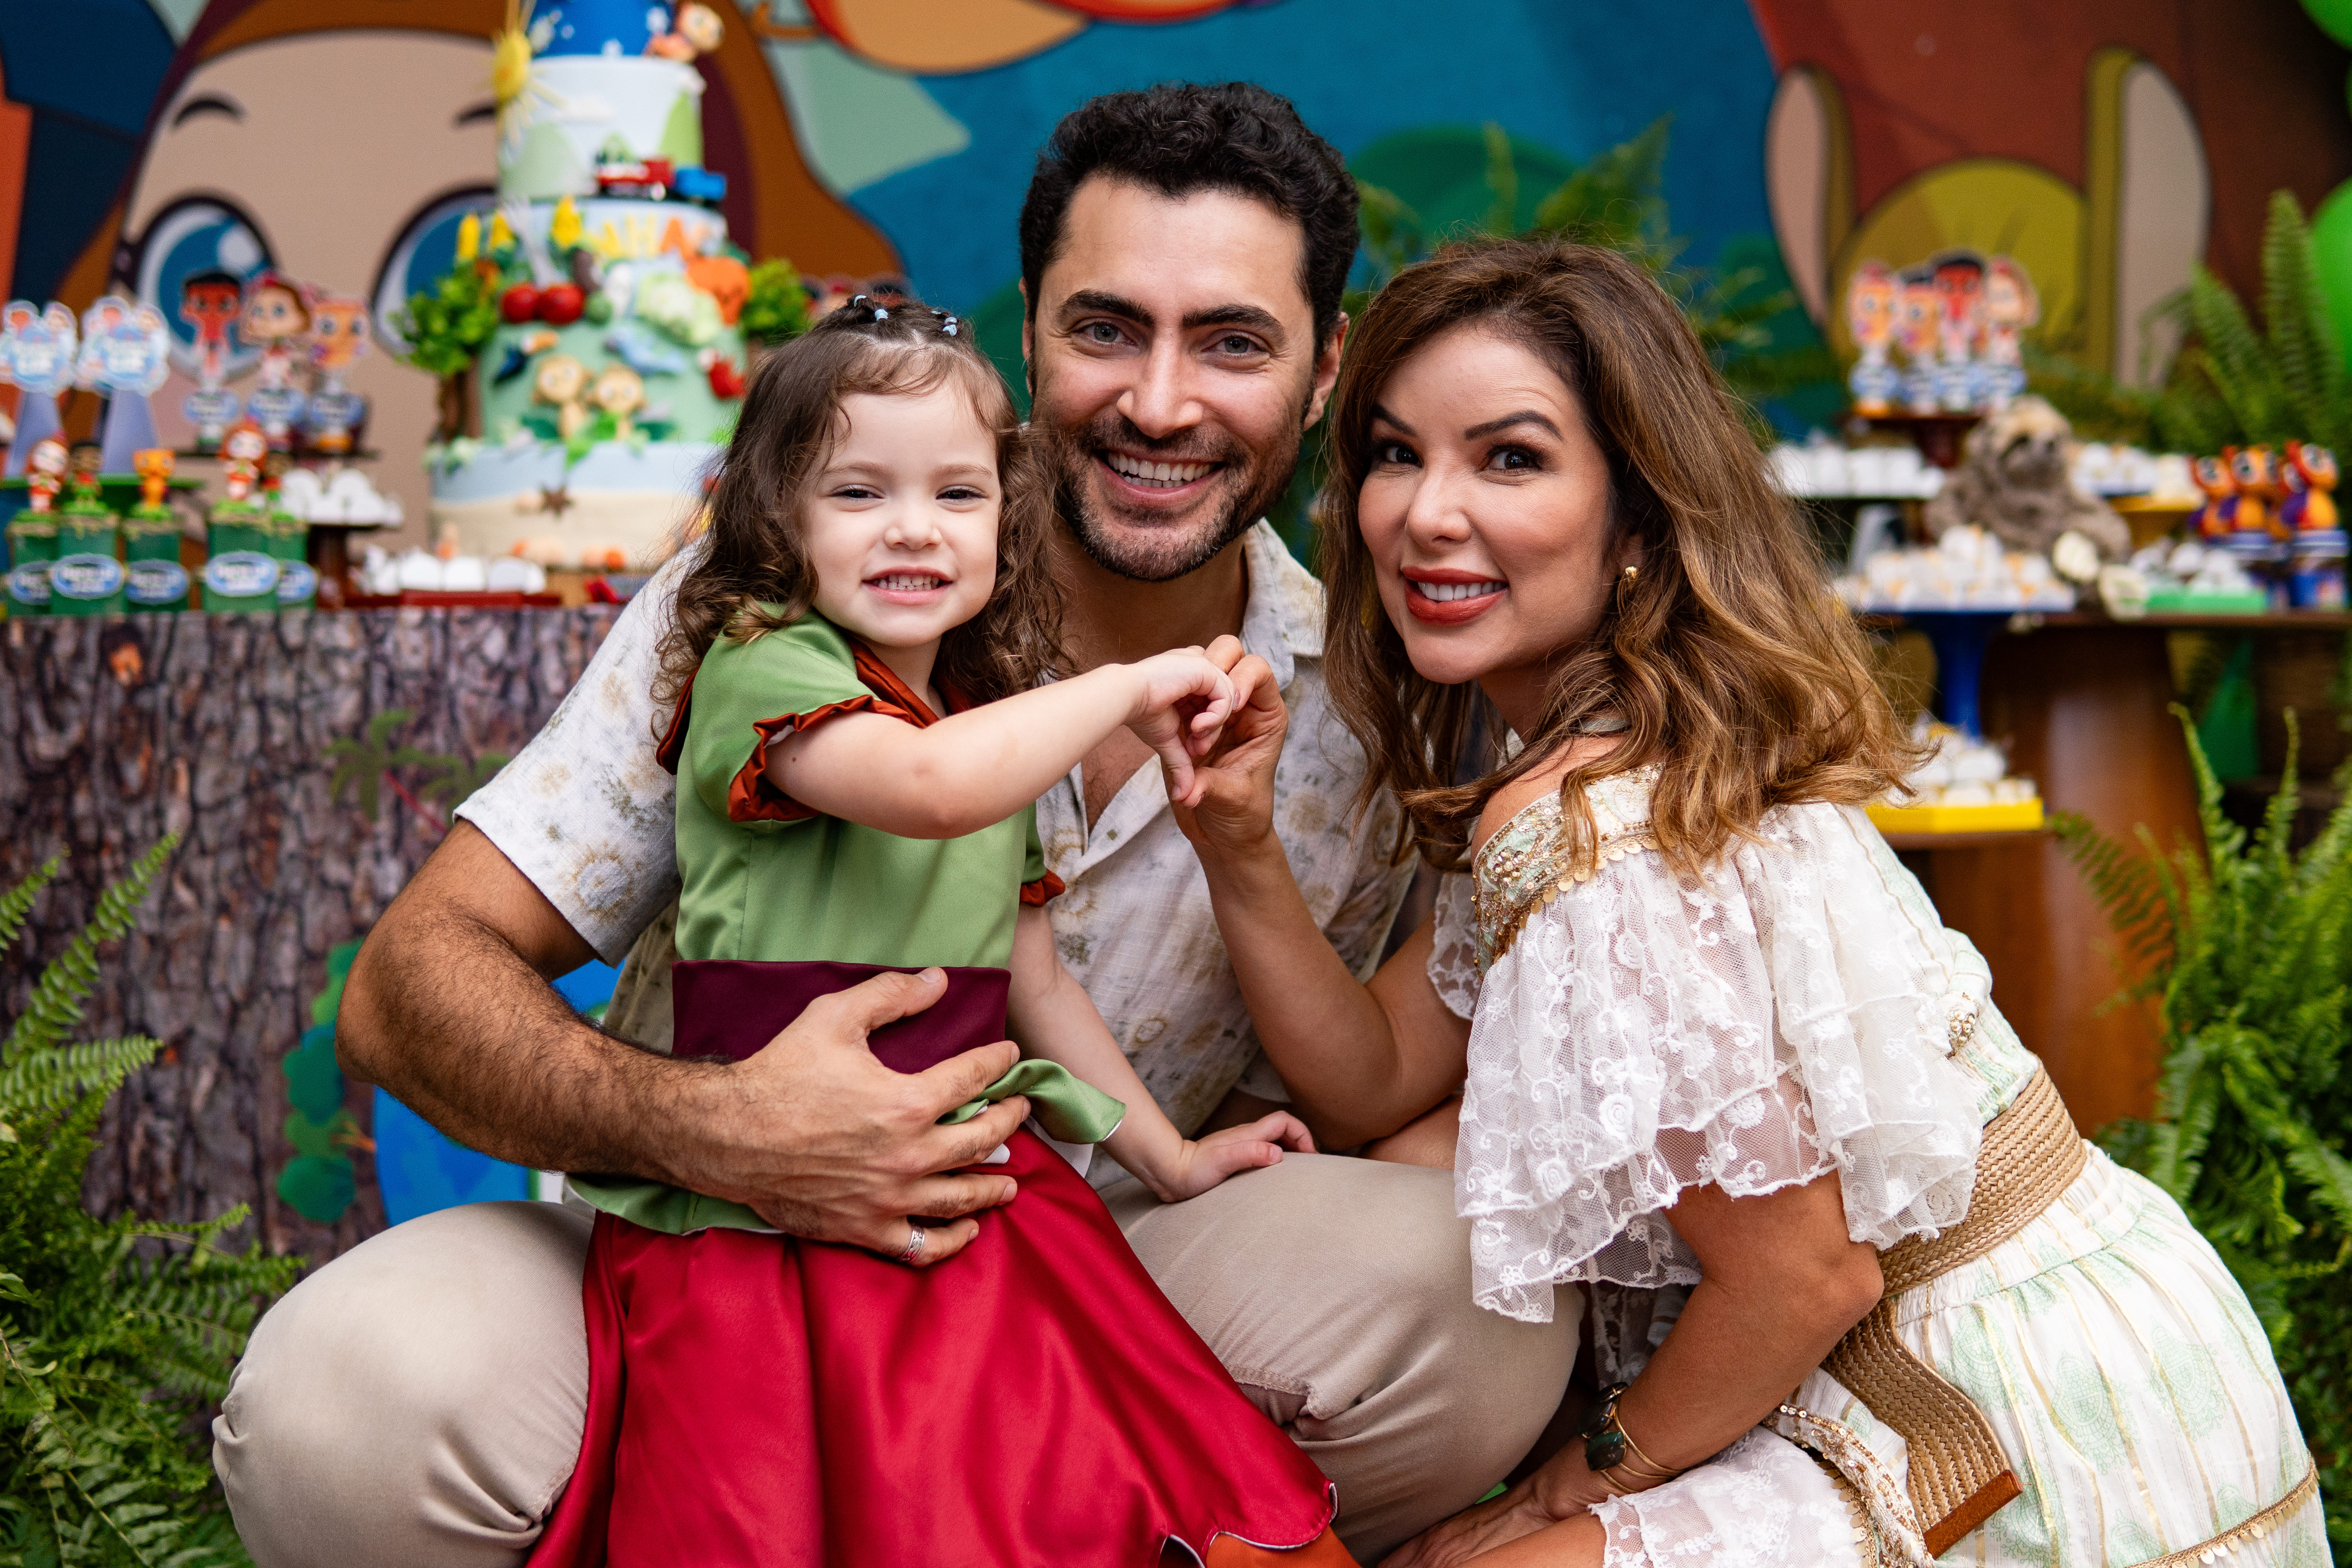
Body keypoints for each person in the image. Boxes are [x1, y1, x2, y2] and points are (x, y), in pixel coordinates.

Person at [213, 85, 1579, 1568]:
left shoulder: (1391, 682)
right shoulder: (764, 608)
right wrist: (722, 1131)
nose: (1163, 401)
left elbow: (1392, 1073)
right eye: (1106, 328)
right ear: (1030, 340)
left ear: (1321, 381)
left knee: (1477, 1296)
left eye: (1235, 342)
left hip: (1101, 1250)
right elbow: (412, 988)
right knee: (340, 1410)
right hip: (703, 1242)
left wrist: (1208, 1155)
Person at [1177, 236, 2325, 1568]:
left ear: (1637, 519)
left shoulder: (1605, 820)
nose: (1427, 512)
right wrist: (1240, 845)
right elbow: (1372, 1081)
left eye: (1511, 459)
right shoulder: (1601, 753)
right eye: (1393, 452)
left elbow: (1804, 1272)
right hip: (2069, 1329)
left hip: (1994, 1407)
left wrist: (1568, 1494)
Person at [527, 297, 1353, 1565]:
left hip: (971, 1186)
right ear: (778, 521)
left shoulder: (979, 711)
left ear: (1003, 523)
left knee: (1047, 1478)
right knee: (773, 1508)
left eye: (959, 496)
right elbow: (925, 790)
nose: (915, 528)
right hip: (768, 1212)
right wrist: (1125, 687)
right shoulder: (771, 667)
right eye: (859, 491)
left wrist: (1174, 1159)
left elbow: (1038, 984)